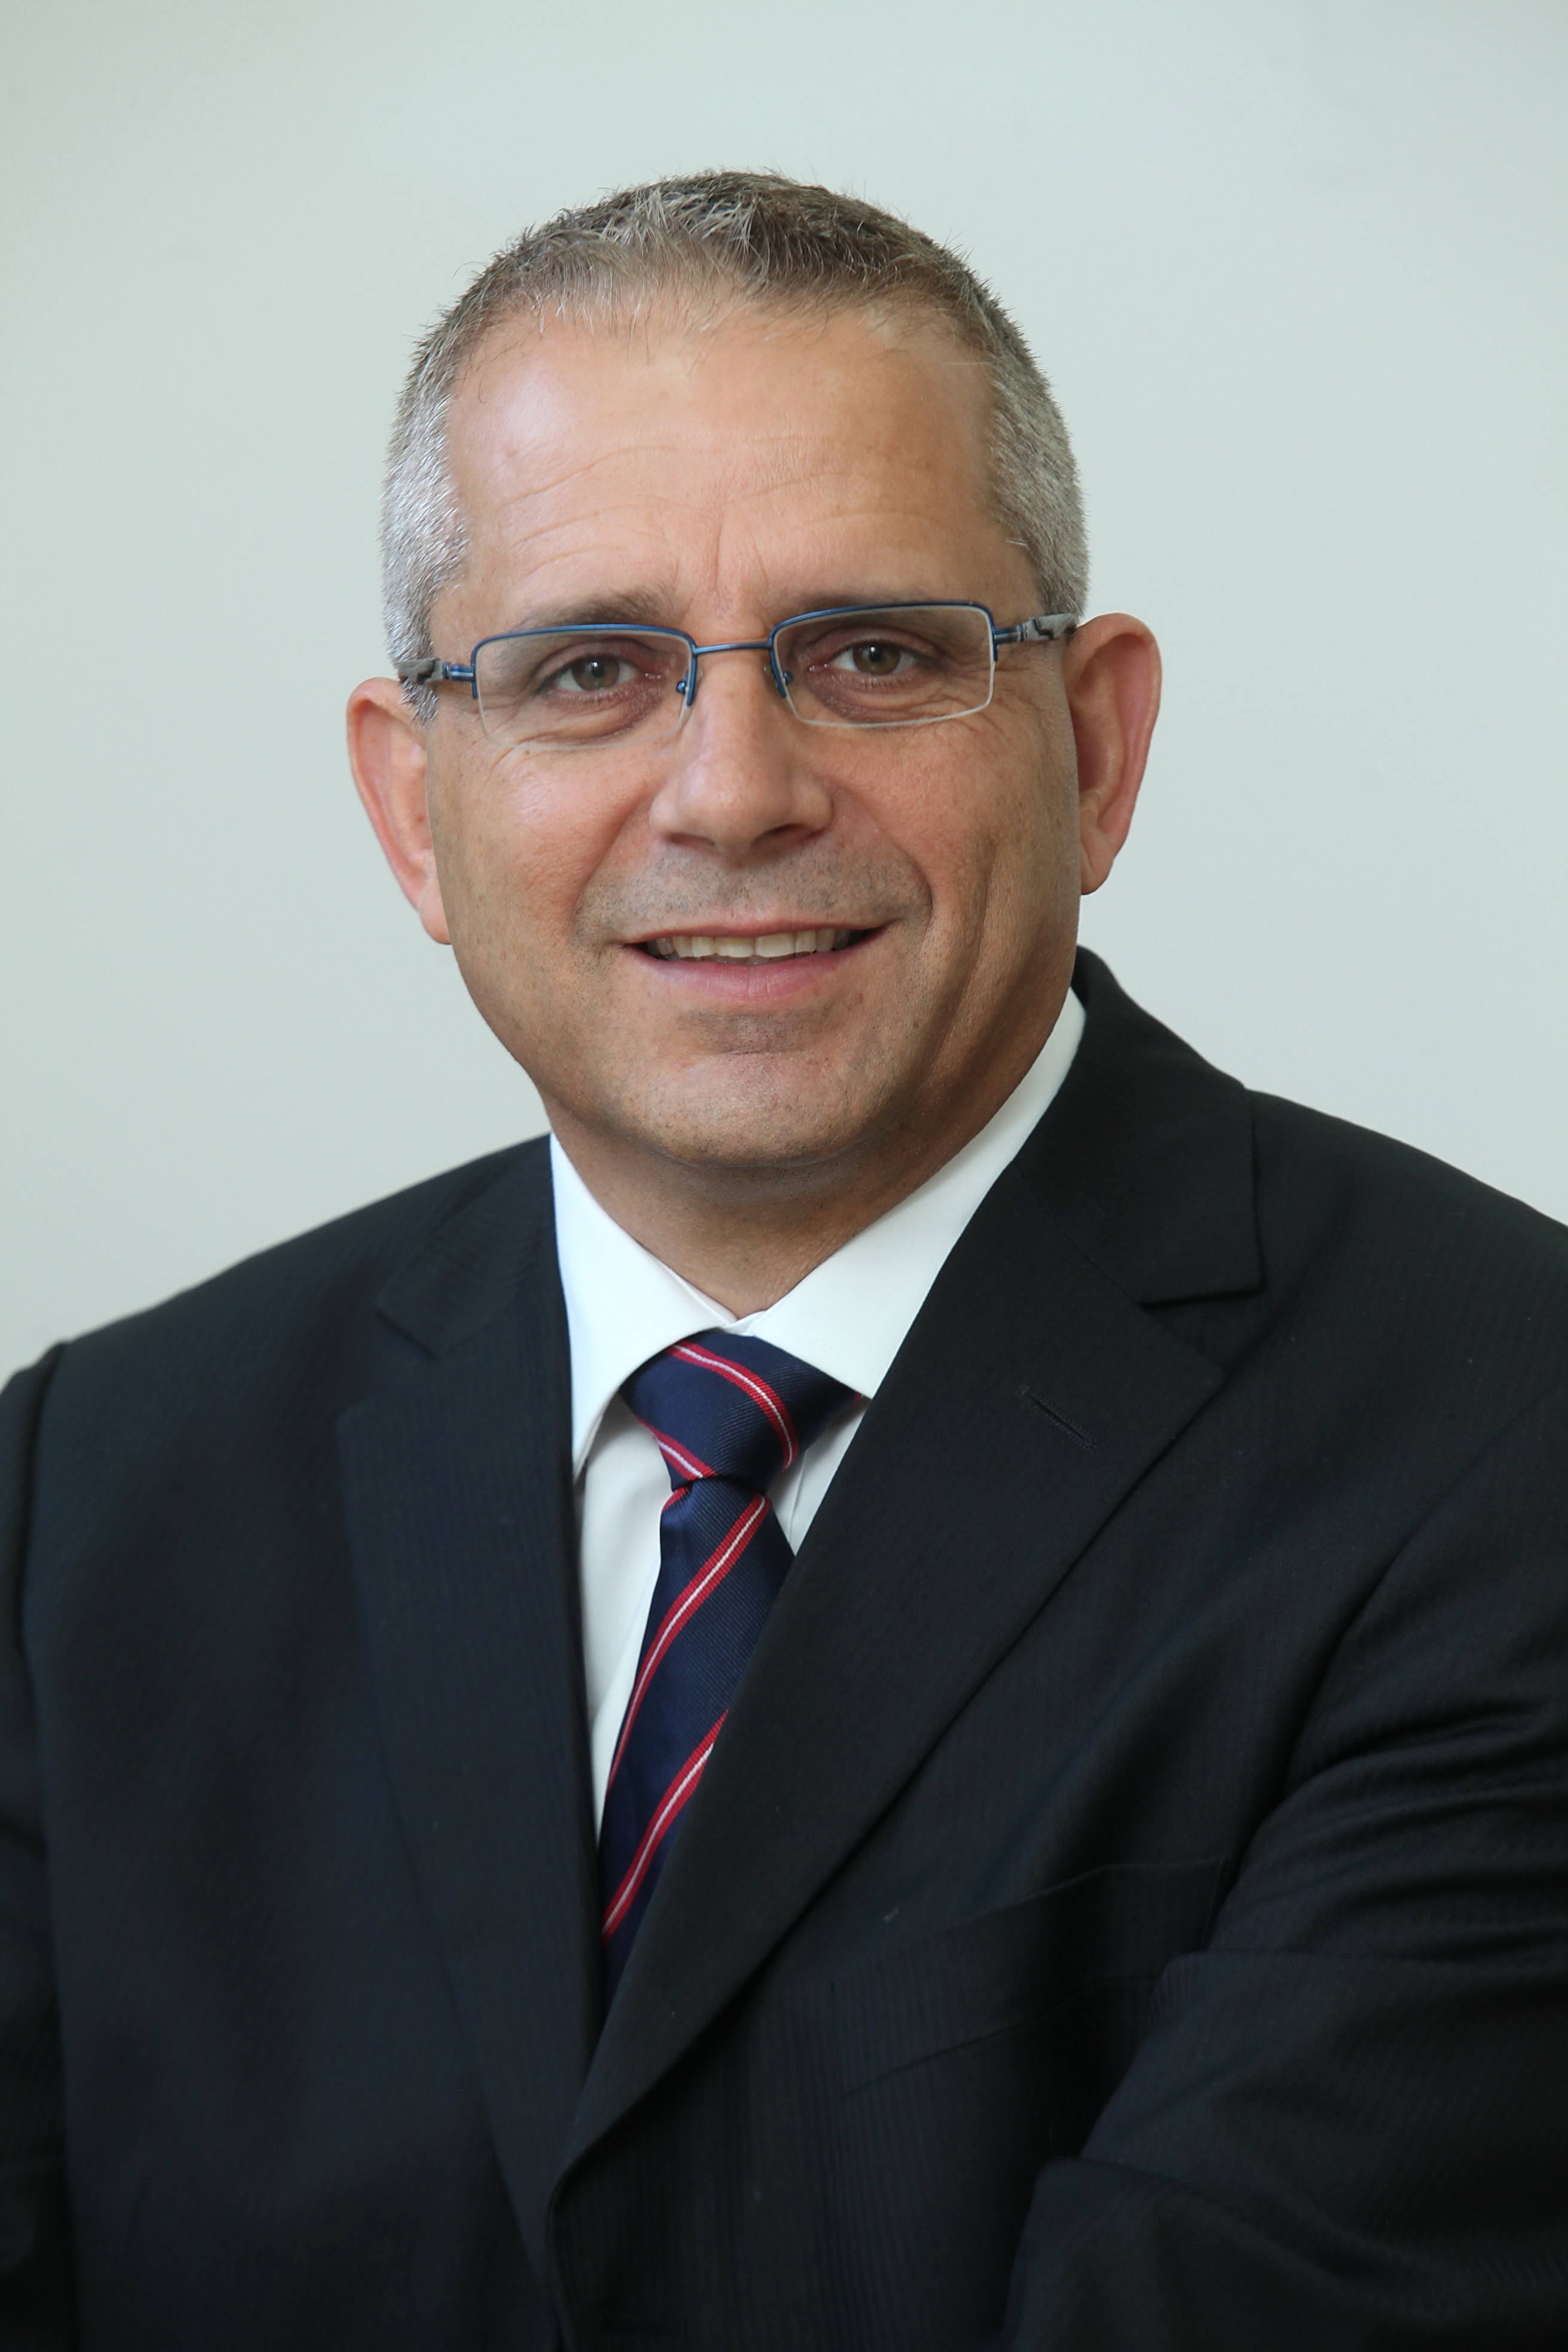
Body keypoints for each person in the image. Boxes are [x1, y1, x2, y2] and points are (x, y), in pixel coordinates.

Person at [2, 170, 1565, 2352]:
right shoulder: (84, 1492)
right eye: (590, 670)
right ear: (413, 808)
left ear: (1095, 748)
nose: (731, 792)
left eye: (874, 654)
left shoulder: (1506, 1443)